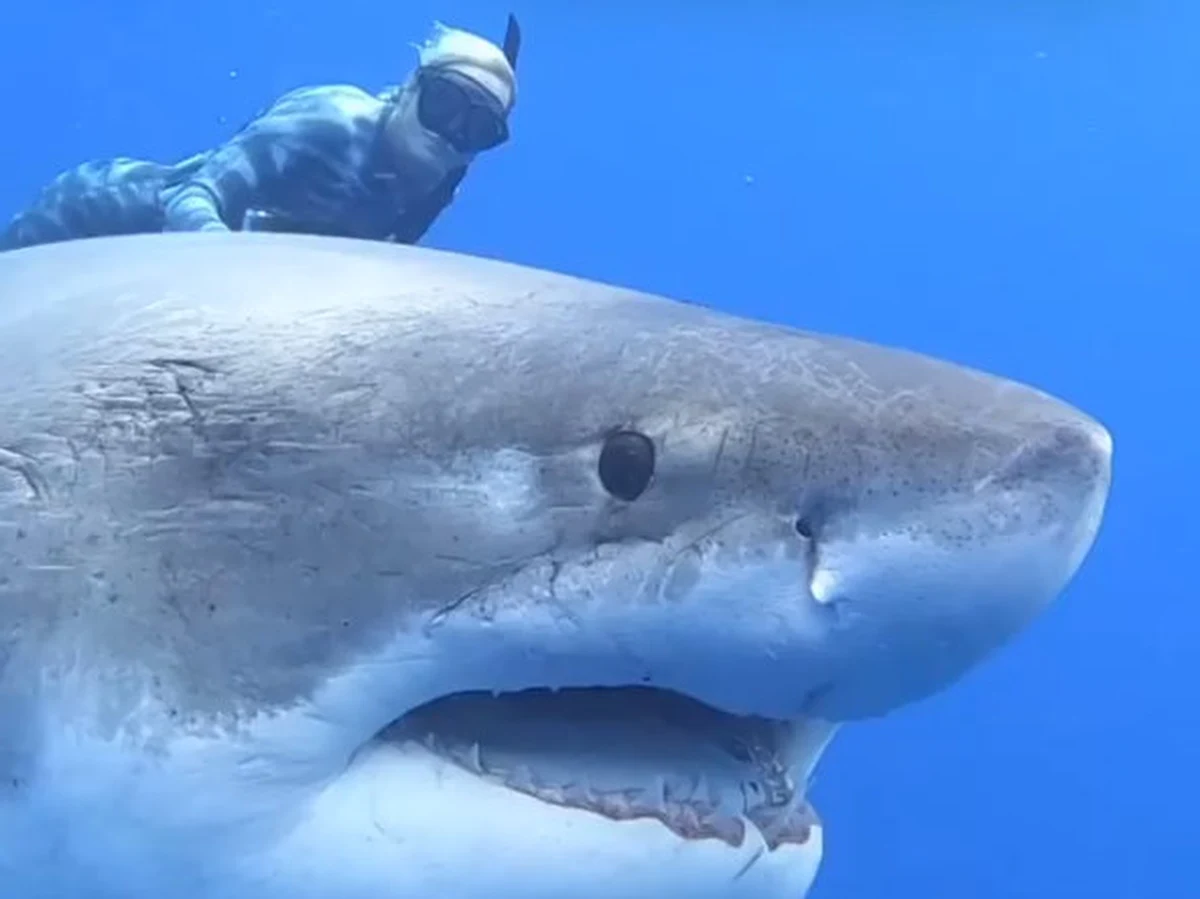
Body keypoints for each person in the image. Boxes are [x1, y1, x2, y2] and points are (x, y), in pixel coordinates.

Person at [0, 15, 521, 251]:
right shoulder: (331, 123)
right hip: (99, 211)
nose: (449, 133)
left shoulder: (431, 190)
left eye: (476, 129)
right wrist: (233, 270)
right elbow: (191, 196)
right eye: (446, 103)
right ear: (410, 87)